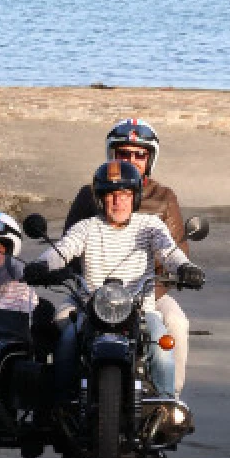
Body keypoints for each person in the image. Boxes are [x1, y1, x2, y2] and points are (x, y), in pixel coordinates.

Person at [27, 160, 204, 402]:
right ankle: (63, 409)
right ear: (101, 199)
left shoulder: (150, 226)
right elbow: (62, 250)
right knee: (66, 344)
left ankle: (166, 404)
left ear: (135, 197)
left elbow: (169, 251)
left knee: (162, 348)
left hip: (140, 311)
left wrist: (185, 267)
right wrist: (42, 264)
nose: (118, 201)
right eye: (110, 194)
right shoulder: (86, 228)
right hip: (91, 310)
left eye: (125, 194)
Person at [64, 118, 195, 397]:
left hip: (148, 291)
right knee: (60, 324)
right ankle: (60, 401)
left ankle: (170, 400)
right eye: (124, 153)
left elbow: (177, 251)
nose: (132, 159)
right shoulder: (90, 193)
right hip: (93, 291)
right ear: (112, 154)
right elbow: (67, 245)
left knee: (178, 325)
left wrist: (176, 275)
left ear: (150, 158)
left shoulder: (164, 197)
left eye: (140, 154)